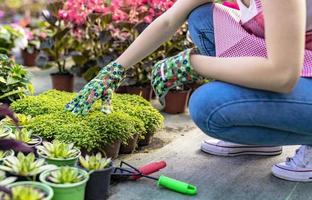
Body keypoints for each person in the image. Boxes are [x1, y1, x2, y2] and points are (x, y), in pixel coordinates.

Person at [65, 0, 312, 182]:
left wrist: (190, 64)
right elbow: (169, 19)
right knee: (202, 18)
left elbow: (282, 76)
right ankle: (260, 134)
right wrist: (114, 70)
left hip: (289, 68)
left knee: (209, 106)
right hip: (297, 59)